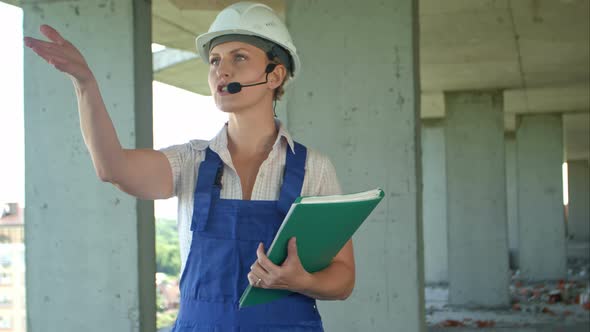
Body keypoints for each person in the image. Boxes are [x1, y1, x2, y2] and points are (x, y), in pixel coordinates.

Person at [24, 2, 355, 330]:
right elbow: (113, 168)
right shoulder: (190, 161)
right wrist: (85, 85)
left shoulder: (315, 168)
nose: (221, 71)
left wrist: (301, 280)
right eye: (214, 60)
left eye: (239, 57)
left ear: (275, 74)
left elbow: (343, 278)